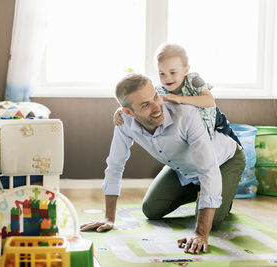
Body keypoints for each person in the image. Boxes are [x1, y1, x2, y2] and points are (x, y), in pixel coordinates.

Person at [80, 74, 246, 254]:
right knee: (151, 210)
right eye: (145, 105)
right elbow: (115, 165)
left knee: (210, 222)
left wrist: (200, 234)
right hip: (184, 168)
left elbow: (208, 169)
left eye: (155, 97)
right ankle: (200, 192)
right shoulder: (124, 121)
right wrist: (109, 217)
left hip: (223, 162)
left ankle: (221, 197)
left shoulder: (186, 114)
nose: (156, 107)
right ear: (128, 111)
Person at [113, 43, 241, 146]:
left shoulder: (194, 80)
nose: (167, 78)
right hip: (194, 129)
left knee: (235, 146)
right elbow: (141, 102)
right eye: (162, 73)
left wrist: (179, 99)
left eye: (173, 72)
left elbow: (209, 101)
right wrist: (121, 110)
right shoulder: (160, 90)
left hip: (215, 122)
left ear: (185, 70)